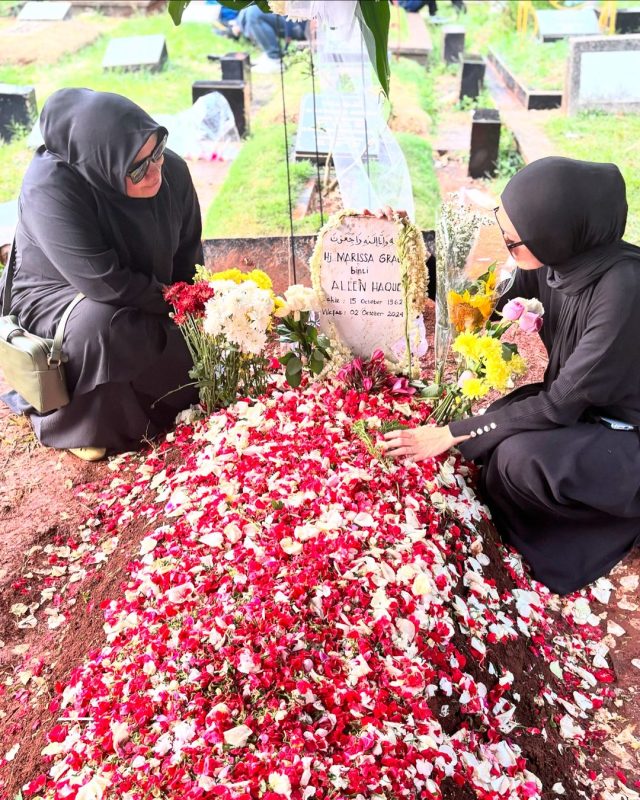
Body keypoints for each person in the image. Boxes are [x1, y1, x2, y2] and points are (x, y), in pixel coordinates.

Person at [382, 157, 640, 595]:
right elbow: (476, 305)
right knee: (495, 432)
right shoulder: (559, 260)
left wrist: (450, 432)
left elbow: (559, 404)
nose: (506, 248)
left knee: (516, 460)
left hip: (626, 434)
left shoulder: (623, 290)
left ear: (555, 233)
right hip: (581, 410)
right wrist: (401, 244)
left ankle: (614, 521)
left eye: (513, 241)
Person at [0, 89, 202, 461]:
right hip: (61, 293)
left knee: (186, 326)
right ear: (101, 163)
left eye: (157, 150)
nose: (155, 169)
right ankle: (84, 424)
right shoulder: (50, 186)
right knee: (106, 327)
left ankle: (164, 396)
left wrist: (194, 303)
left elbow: (189, 255)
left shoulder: (170, 170)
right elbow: (102, 279)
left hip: (146, 293)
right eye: (137, 166)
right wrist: (174, 304)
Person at [231, 5, 307, 74]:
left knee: (254, 13)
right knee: (253, 8)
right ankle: (268, 55)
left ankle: (275, 60)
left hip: (299, 22)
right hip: (286, 16)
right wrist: (239, 22)